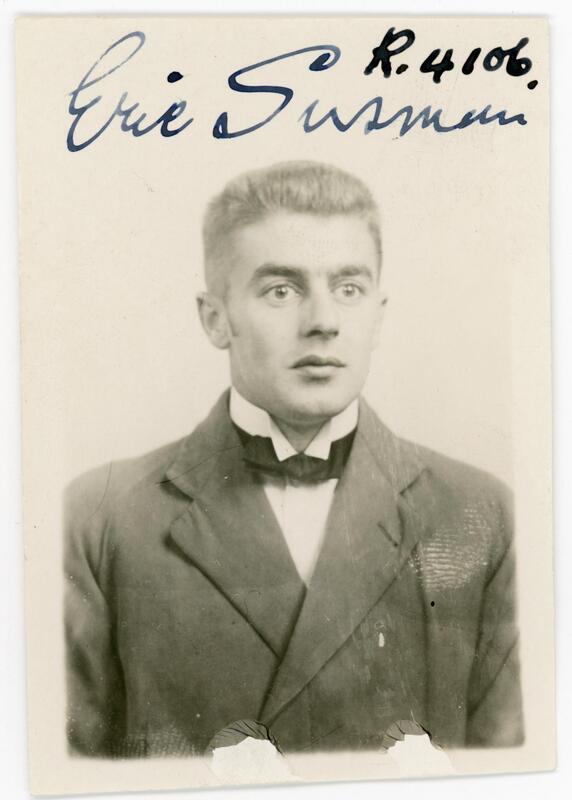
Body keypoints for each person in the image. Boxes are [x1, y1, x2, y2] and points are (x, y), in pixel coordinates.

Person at [64, 160, 523, 758]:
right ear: (215, 319)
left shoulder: (480, 515)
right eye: (281, 290)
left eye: (349, 289)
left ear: (378, 316)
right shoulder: (101, 520)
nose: (324, 323)